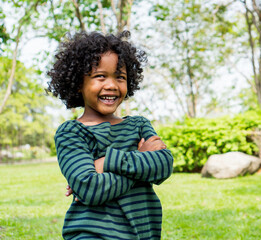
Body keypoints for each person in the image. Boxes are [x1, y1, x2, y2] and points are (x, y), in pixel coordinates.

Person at [47, 31, 174, 240]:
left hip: (142, 233)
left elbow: (163, 165)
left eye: (120, 77)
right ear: (79, 83)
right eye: (100, 76)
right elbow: (90, 189)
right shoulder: (71, 132)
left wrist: (105, 163)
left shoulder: (139, 125)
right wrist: (140, 162)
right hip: (91, 234)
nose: (112, 85)